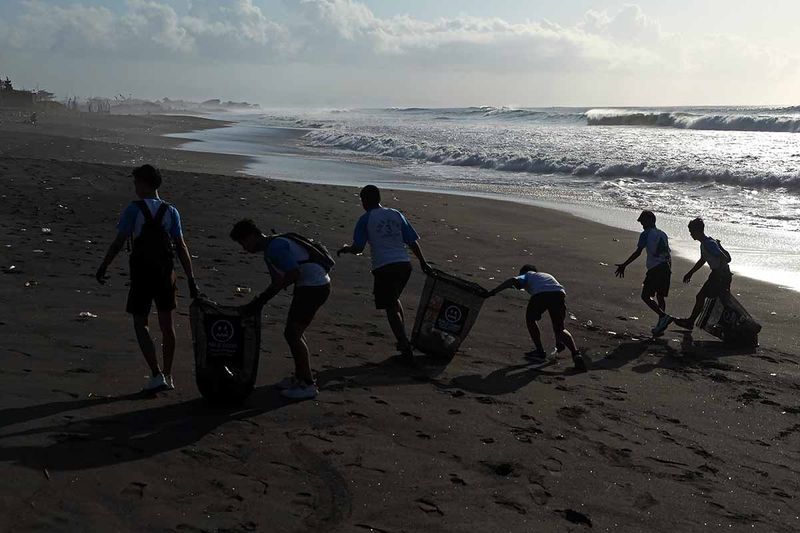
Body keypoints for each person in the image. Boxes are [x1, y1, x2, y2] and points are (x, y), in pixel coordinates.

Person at [96, 164, 198, 391]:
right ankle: (169, 375)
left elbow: (119, 242)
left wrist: (104, 265)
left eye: (136, 183)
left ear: (144, 184)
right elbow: (181, 247)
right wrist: (191, 278)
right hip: (165, 273)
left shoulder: (134, 210)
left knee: (140, 323)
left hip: (142, 274)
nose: (134, 187)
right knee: (167, 325)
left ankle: (155, 373)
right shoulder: (171, 212)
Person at [230, 220, 331, 400]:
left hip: (313, 287)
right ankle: (300, 376)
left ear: (251, 236)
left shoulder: (274, 248)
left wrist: (260, 301)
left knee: (292, 334)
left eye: (242, 242)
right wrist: (260, 301)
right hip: (312, 285)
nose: (244, 248)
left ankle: (307, 384)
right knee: (294, 333)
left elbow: (293, 274)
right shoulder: (272, 246)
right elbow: (277, 282)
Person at [336, 185, 431, 362]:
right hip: (404, 265)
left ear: (363, 202)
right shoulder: (396, 214)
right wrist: (423, 262)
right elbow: (411, 241)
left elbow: (358, 248)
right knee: (393, 300)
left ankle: (403, 343)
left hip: (384, 266)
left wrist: (347, 249)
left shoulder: (365, 220)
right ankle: (403, 337)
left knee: (389, 306)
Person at [488, 265, 587, 371]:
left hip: (541, 294)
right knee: (559, 328)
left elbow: (512, 280)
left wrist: (493, 291)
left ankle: (540, 352)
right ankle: (576, 354)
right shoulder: (545, 276)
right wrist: (558, 343)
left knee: (530, 320)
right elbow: (552, 289)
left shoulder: (527, 275)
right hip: (559, 293)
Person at [615, 210, 673, 336]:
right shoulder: (663, 234)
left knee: (645, 296)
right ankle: (660, 324)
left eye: (642, 221)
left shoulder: (645, 234)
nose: (641, 223)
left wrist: (624, 265)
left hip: (655, 269)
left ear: (650, 220)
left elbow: (638, 252)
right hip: (666, 267)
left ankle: (663, 317)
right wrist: (669, 269)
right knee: (660, 296)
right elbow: (668, 253)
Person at [673, 217, 732, 330]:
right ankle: (691, 322)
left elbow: (726, 259)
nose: (690, 234)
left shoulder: (709, 243)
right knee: (713, 299)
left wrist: (720, 273)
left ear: (697, 231)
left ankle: (691, 322)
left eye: (691, 232)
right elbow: (702, 260)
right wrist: (690, 273)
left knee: (719, 300)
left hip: (720, 275)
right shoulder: (704, 243)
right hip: (717, 274)